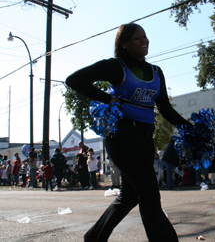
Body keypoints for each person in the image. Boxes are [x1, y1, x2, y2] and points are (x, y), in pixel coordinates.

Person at [65, 22, 191, 242]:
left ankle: (93, 238)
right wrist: (107, 98)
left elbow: (164, 108)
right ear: (123, 44)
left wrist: (188, 126)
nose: (144, 41)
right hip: (122, 135)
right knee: (149, 194)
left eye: (145, 36)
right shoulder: (116, 66)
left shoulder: (156, 71)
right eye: (137, 38)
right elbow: (74, 80)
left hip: (145, 136)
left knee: (130, 196)